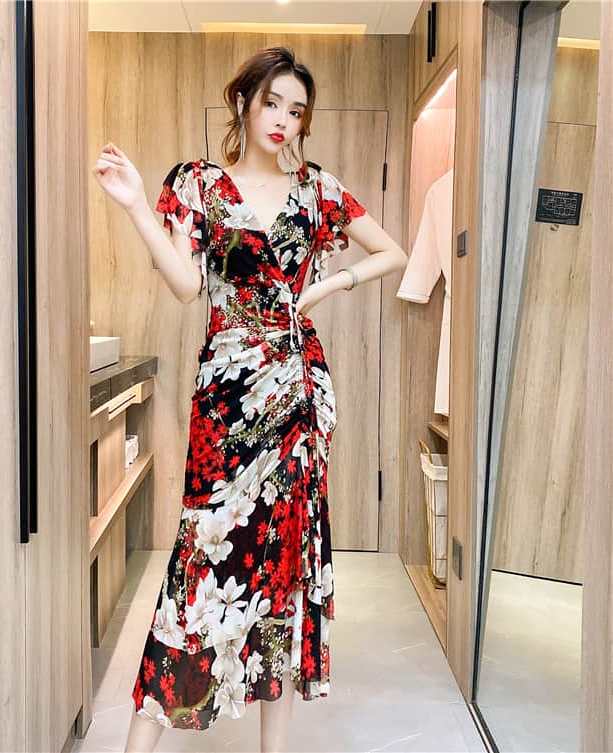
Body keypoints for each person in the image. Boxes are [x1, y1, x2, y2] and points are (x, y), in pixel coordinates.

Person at [91, 46, 407, 753]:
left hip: (297, 393)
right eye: (273, 103)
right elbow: (184, 284)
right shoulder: (199, 184)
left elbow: (394, 253)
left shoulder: (318, 190)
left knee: (284, 566)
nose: (284, 120)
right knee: (199, 558)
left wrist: (329, 286)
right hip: (226, 398)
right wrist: (137, 205)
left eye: (297, 110)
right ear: (244, 101)